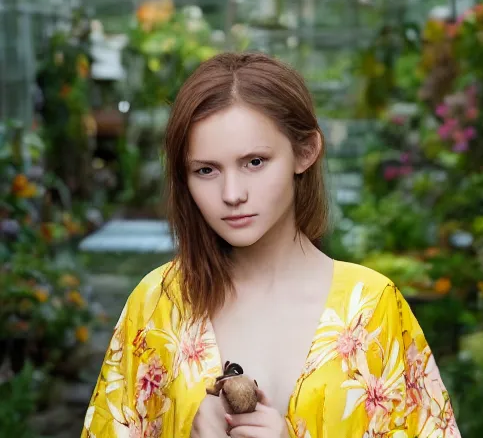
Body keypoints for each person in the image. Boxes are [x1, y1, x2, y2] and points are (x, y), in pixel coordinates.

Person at [81, 52, 461, 438]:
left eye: (255, 162)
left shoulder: (371, 308)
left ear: (305, 152)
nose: (232, 194)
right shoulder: (157, 305)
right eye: (206, 170)